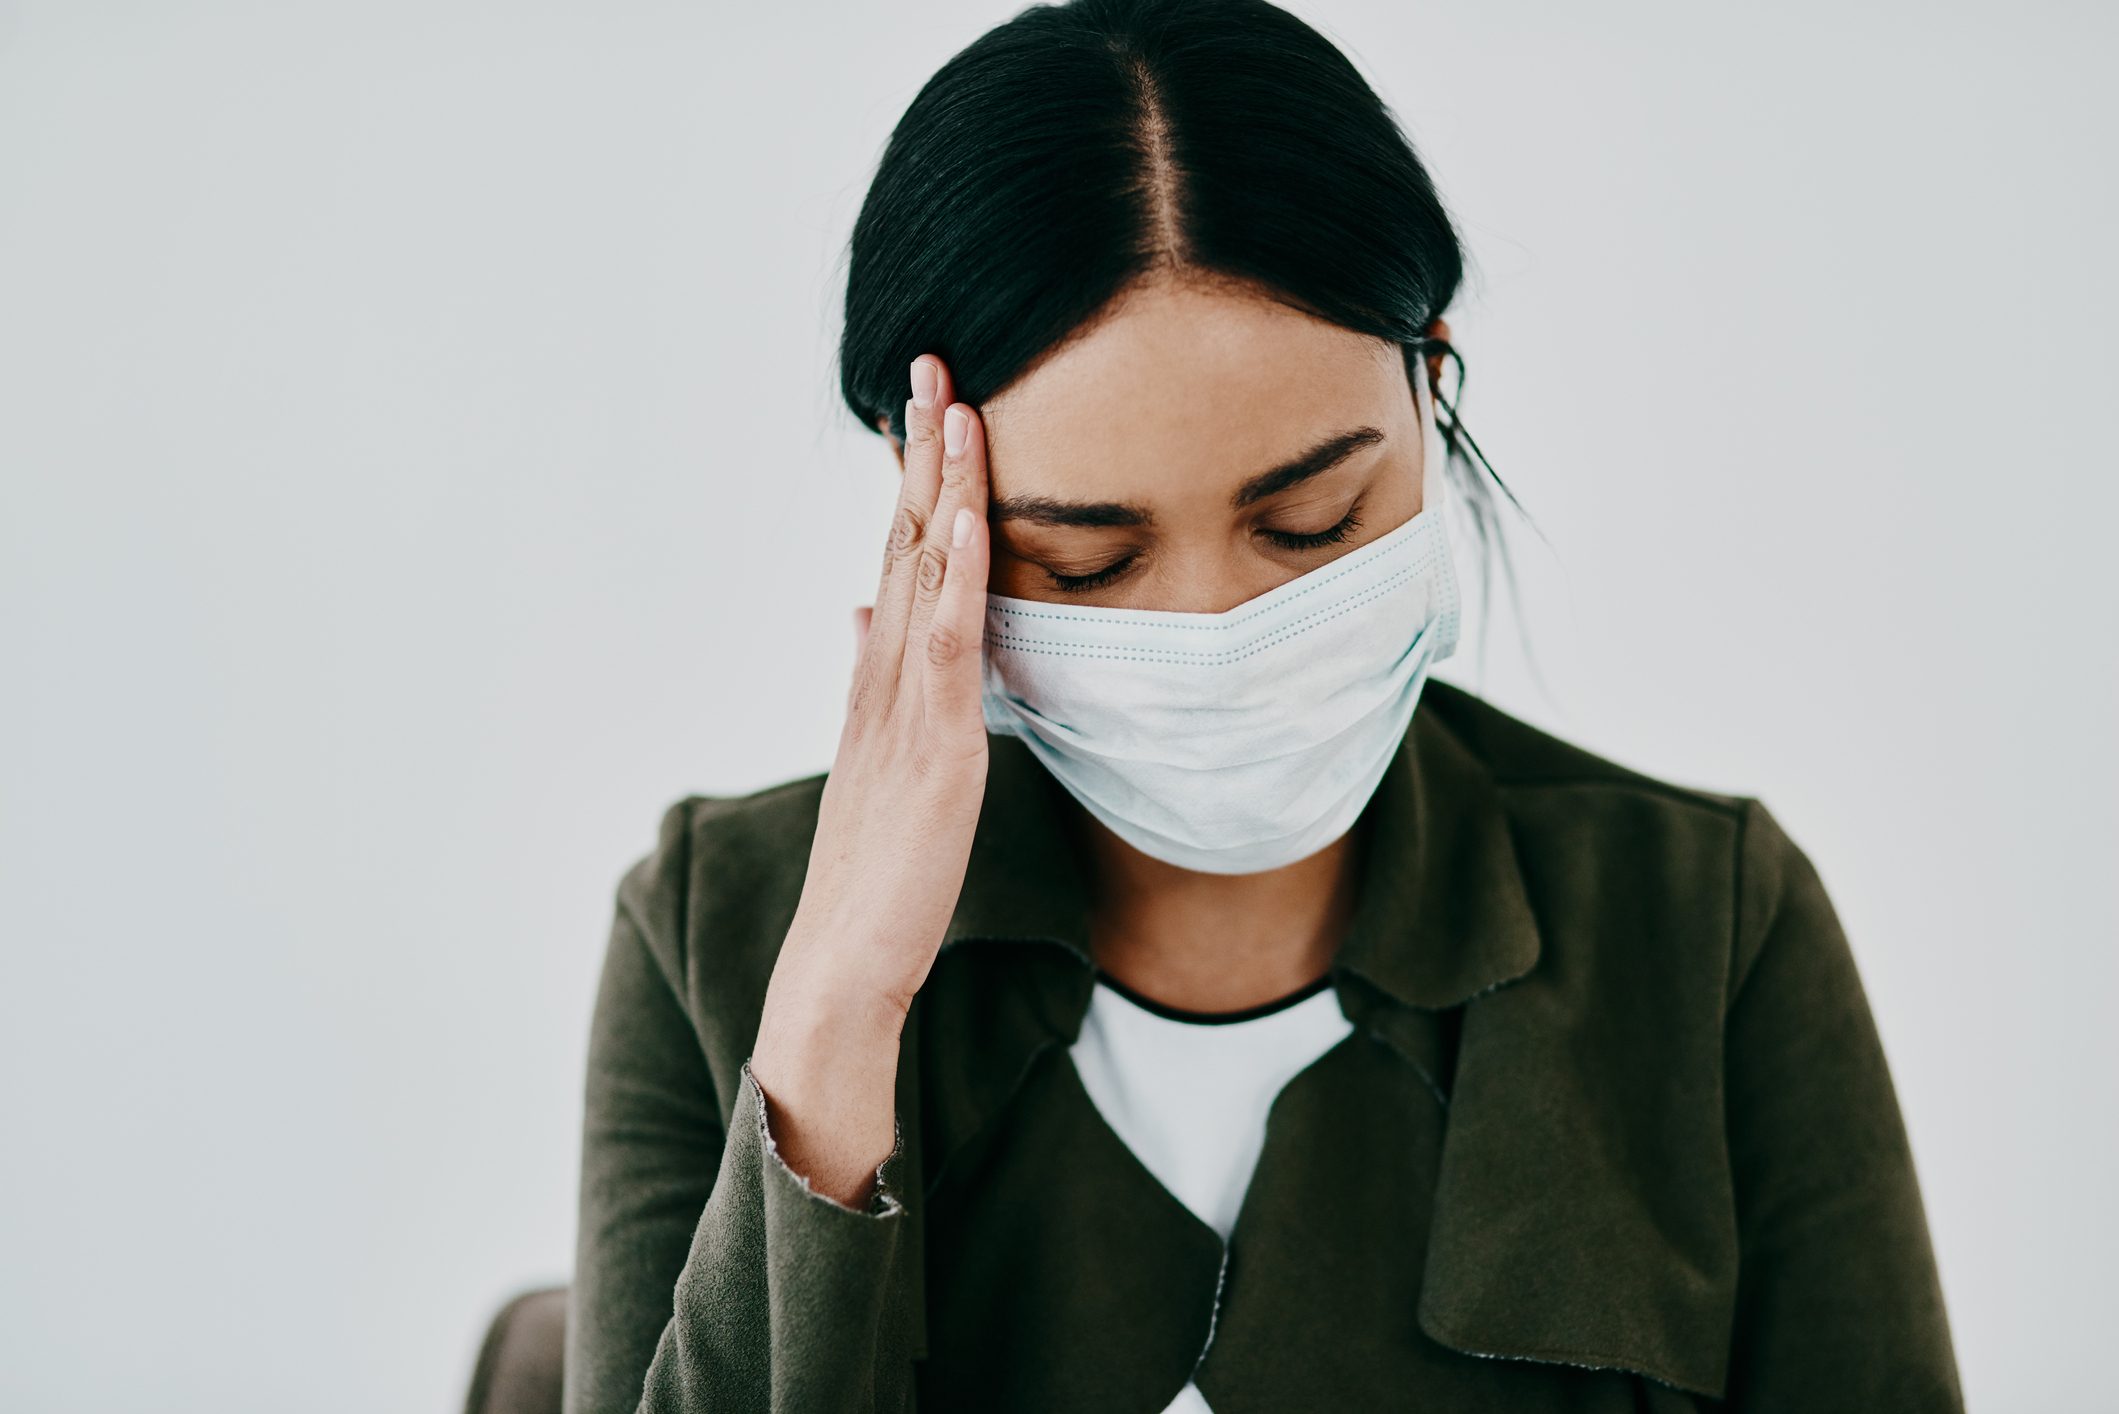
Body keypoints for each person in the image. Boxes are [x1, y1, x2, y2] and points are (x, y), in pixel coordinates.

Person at [561, 2, 1964, 1410]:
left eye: (1309, 522)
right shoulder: (719, 936)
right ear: (928, 497)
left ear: (1432, 380)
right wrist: (839, 1020)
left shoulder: (1706, 928)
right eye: (1086, 559)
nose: (1215, 634)